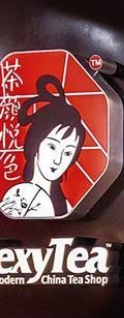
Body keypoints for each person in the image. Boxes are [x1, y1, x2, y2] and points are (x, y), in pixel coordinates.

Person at [0, 76, 85, 219]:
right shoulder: (14, 198)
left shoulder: (68, 208)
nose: (58, 160)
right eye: (52, 146)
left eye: (68, 153)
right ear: (35, 143)